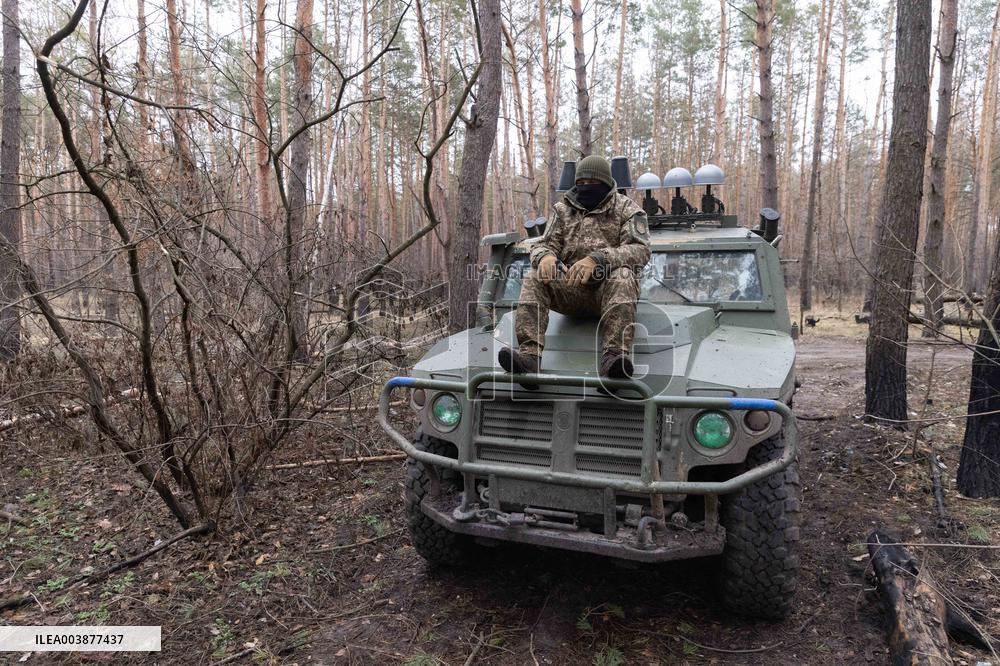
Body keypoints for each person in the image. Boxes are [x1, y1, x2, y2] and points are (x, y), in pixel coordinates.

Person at [498, 155, 651, 381]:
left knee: (624, 274)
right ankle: (529, 357)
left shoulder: (627, 209)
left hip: (609, 293)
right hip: (571, 290)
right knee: (535, 275)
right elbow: (542, 244)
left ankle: (614, 358)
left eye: (592, 183)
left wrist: (599, 259)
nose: (585, 188)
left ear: (606, 183)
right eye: (580, 184)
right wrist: (545, 257)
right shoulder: (563, 210)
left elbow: (640, 250)